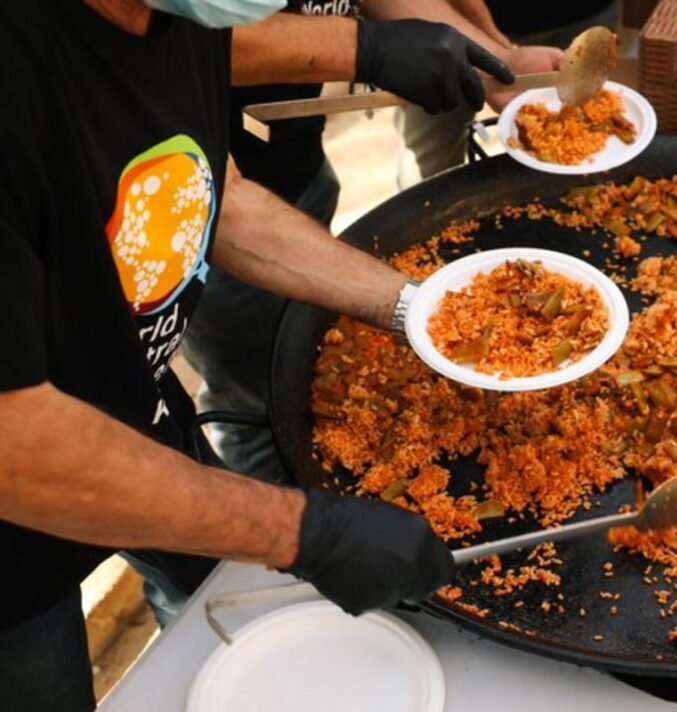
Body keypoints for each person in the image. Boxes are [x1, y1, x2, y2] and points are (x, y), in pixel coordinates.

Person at [0, 1, 508, 709]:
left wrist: (417, 307)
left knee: (212, 600)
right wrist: (302, 530)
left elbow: (215, 196)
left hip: (131, 407)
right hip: (18, 527)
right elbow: (17, 447)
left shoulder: (169, 20)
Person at [183, 1, 563, 484]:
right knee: (254, 403)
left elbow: (240, 206)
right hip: (192, 214)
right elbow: (180, 43)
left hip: (283, 171)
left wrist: (493, 63)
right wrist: (360, 48)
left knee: (297, 353)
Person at [396, 0, 620, 188]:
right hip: (437, 16)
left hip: (583, 13)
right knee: (428, 154)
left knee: (583, 164)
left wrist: (499, 57)